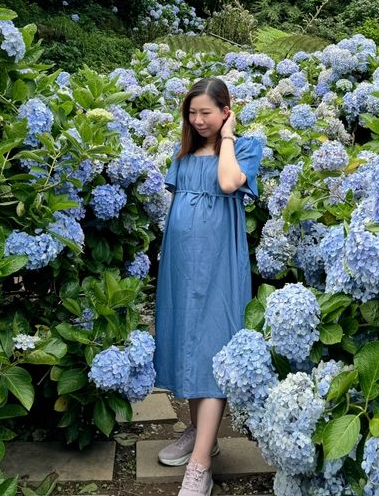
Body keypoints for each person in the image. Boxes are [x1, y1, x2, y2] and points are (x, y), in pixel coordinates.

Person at [154, 77, 263, 496]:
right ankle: (202, 433)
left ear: (225, 110)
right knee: (186, 343)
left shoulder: (245, 148)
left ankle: (200, 464)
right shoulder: (182, 154)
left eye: (207, 113)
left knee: (213, 344)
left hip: (219, 262)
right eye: (192, 113)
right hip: (182, 264)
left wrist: (229, 136)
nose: (199, 121)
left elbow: (228, 184)